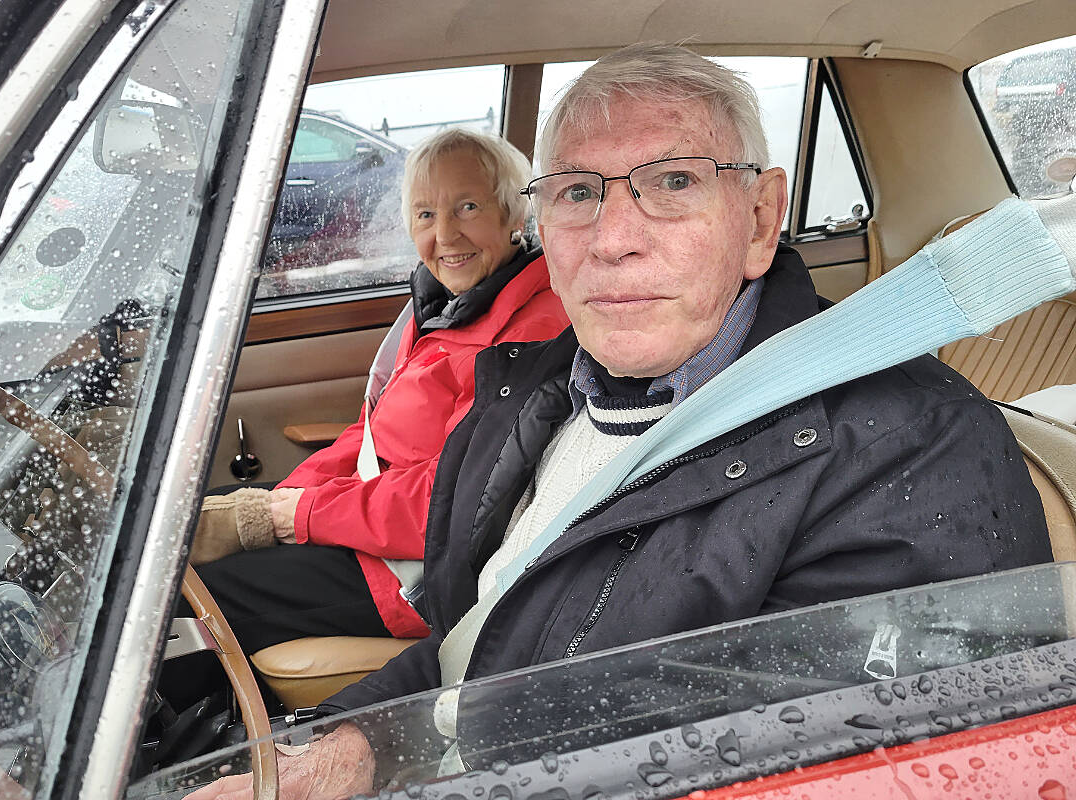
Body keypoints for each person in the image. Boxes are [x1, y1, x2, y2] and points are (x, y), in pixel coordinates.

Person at [189, 43, 1076, 799]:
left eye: (674, 182)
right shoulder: (529, 398)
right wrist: (345, 752)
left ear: (762, 217)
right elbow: (470, 645)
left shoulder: (910, 454)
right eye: (576, 193)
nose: (612, 238)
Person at [180, 128, 569, 676]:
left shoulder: (530, 335)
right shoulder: (445, 308)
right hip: (369, 526)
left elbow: (456, 503)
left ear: (514, 216)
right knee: (173, 531)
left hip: (412, 574)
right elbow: (371, 436)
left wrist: (296, 517)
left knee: (190, 597)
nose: (445, 233)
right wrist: (281, 501)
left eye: (468, 206)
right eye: (425, 214)